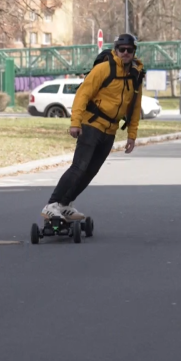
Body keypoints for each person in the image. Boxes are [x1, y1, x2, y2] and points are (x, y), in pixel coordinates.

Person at [41, 34, 145, 221]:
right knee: (79, 167)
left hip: (110, 130)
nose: (126, 53)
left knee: (91, 171)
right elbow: (82, 94)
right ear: (116, 50)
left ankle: (65, 204)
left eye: (130, 50)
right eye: (122, 49)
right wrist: (75, 123)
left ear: (134, 52)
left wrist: (132, 135)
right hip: (91, 125)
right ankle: (52, 204)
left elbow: (135, 107)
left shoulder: (135, 75)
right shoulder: (104, 69)